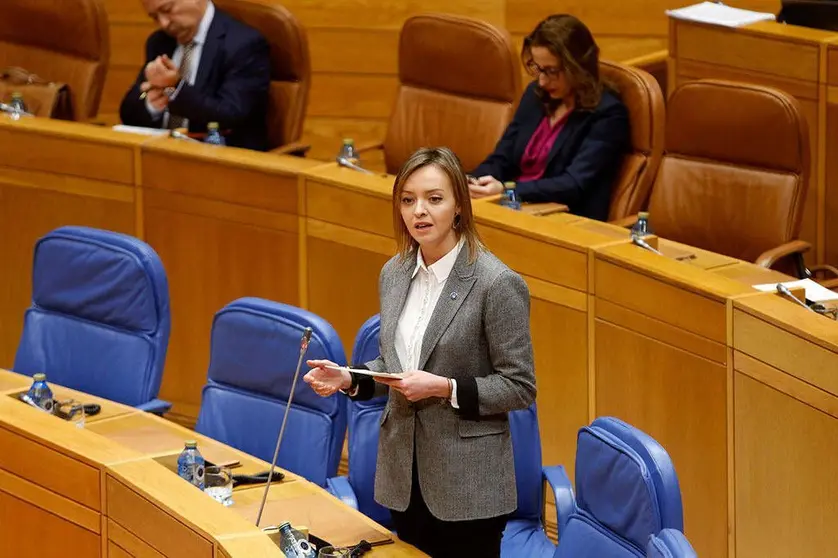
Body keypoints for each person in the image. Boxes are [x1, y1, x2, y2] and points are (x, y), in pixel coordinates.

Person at [304, 147, 536, 558]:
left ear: (459, 207)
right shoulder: (394, 273)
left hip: (468, 487)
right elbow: (398, 366)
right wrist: (350, 377)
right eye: (408, 200)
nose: (419, 212)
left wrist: (444, 387)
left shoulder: (496, 284)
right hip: (404, 476)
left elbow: (519, 387)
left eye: (434, 198)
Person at [469, 14, 630, 221]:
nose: (543, 81)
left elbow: (574, 184)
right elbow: (503, 158)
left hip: (563, 219)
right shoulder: (535, 96)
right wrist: (472, 181)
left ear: (578, 67)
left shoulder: (608, 115)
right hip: (515, 207)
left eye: (552, 71)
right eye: (538, 69)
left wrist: (507, 190)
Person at [119, 0, 270, 151]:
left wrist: (175, 89)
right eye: (155, 17)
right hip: (162, 154)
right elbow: (129, 110)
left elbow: (230, 114)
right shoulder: (159, 42)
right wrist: (149, 104)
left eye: (167, 10)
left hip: (219, 159)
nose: (163, 24)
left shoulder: (243, 44)